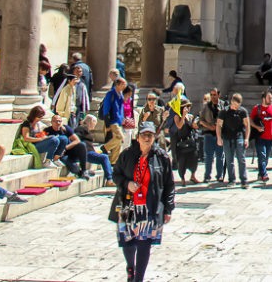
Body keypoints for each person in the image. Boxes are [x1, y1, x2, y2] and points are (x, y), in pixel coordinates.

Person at [110, 121, 175, 282]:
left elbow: (169, 185)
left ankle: (139, 278)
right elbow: (116, 175)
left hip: (150, 206)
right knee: (128, 242)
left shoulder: (162, 157)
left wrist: (168, 209)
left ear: (154, 137)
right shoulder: (127, 154)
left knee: (144, 244)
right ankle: (130, 267)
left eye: (150, 135)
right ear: (138, 137)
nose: (147, 138)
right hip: (128, 205)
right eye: (144, 135)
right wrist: (127, 184)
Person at [216, 93, 250, 188]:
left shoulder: (242, 112)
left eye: (238, 105)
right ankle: (232, 179)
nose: (236, 107)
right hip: (227, 138)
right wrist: (219, 137)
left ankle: (244, 180)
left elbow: (247, 126)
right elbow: (219, 125)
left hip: (239, 137)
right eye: (235, 104)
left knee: (241, 159)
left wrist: (246, 138)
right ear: (232, 102)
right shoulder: (224, 112)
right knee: (229, 159)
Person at [44, 114, 90, 178]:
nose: (58, 123)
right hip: (59, 155)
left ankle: (84, 170)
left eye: (60, 121)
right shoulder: (47, 131)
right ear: (52, 122)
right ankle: (80, 173)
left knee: (82, 145)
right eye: (56, 121)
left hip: (68, 149)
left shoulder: (65, 129)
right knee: (71, 165)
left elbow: (77, 140)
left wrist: (65, 148)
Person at [250, 91, 272, 182]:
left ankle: (260, 173)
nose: (271, 100)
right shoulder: (257, 108)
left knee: (266, 157)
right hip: (260, 137)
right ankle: (264, 174)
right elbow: (250, 120)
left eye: (271, 98)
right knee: (262, 156)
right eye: (269, 98)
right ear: (264, 98)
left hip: (271, 137)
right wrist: (256, 127)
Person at [76, 115, 116, 186]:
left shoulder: (86, 130)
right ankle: (109, 179)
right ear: (90, 122)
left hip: (89, 152)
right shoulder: (81, 129)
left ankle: (111, 176)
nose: (95, 125)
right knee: (104, 157)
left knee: (104, 156)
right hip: (86, 152)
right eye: (95, 122)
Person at [168, 101, 200, 186]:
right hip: (181, 141)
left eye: (189, 107)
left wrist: (195, 123)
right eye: (187, 107)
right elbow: (179, 126)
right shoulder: (177, 116)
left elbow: (194, 126)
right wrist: (183, 116)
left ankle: (193, 175)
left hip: (190, 140)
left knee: (194, 159)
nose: (189, 108)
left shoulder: (190, 116)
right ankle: (182, 179)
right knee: (182, 161)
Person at [198, 88, 224, 183]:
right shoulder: (206, 107)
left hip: (220, 135)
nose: (213, 97)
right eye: (211, 95)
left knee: (220, 155)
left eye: (215, 95)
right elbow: (200, 120)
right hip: (209, 134)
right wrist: (209, 126)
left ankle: (220, 175)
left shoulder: (223, 105)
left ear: (218, 95)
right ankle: (207, 175)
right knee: (208, 156)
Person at [100, 78, 128, 164]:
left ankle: (113, 161)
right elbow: (106, 109)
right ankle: (105, 147)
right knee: (120, 137)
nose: (125, 86)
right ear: (118, 84)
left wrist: (123, 118)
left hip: (119, 120)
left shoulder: (121, 95)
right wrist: (107, 124)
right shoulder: (110, 94)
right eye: (123, 84)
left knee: (118, 143)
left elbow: (121, 108)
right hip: (113, 120)